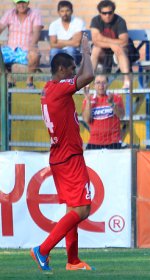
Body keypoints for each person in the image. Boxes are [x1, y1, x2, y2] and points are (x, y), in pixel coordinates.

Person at [30, 34, 95, 271]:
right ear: (60, 69)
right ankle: (42, 250)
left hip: (59, 156)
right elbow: (88, 76)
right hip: (69, 157)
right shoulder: (58, 89)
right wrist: (86, 51)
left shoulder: (48, 90)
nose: (73, 73)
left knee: (72, 209)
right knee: (82, 209)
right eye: (71, 69)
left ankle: (73, 261)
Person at [0, 0, 43, 88]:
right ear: (15, 3)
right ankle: (8, 80)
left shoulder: (35, 14)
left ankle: (29, 82)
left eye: (23, 2)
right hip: (10, 49)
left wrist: (33, 46)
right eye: (19, 3)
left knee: (34, 55)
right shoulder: (9, 13)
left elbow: (37, 32)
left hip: (26, 50)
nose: (21, 5)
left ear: (28, 3)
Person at [90, 0, 130, 89]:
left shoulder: (120, 21)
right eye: (104, 13)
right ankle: (87, 81)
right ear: (100, 13)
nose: (107, 15)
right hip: (102, 53)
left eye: (110, 13)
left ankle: (127, 80)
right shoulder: (96, 20)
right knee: (96, 49)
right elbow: (95, 41)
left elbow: (124, 41)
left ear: (113, 12)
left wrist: (103, 39)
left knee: (119, 49)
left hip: (118, 53)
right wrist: (112, 44)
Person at [82, 74, 125, 149]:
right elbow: (86, 119)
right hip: (94, 142)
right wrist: (88, 101)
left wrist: (112, 104)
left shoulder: (115, 97)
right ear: (94, 85)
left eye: (104, 82)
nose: (101, 85)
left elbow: (121, 115)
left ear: (108, 84)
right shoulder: (89, 99)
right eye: (98, 83)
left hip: (113, 141)